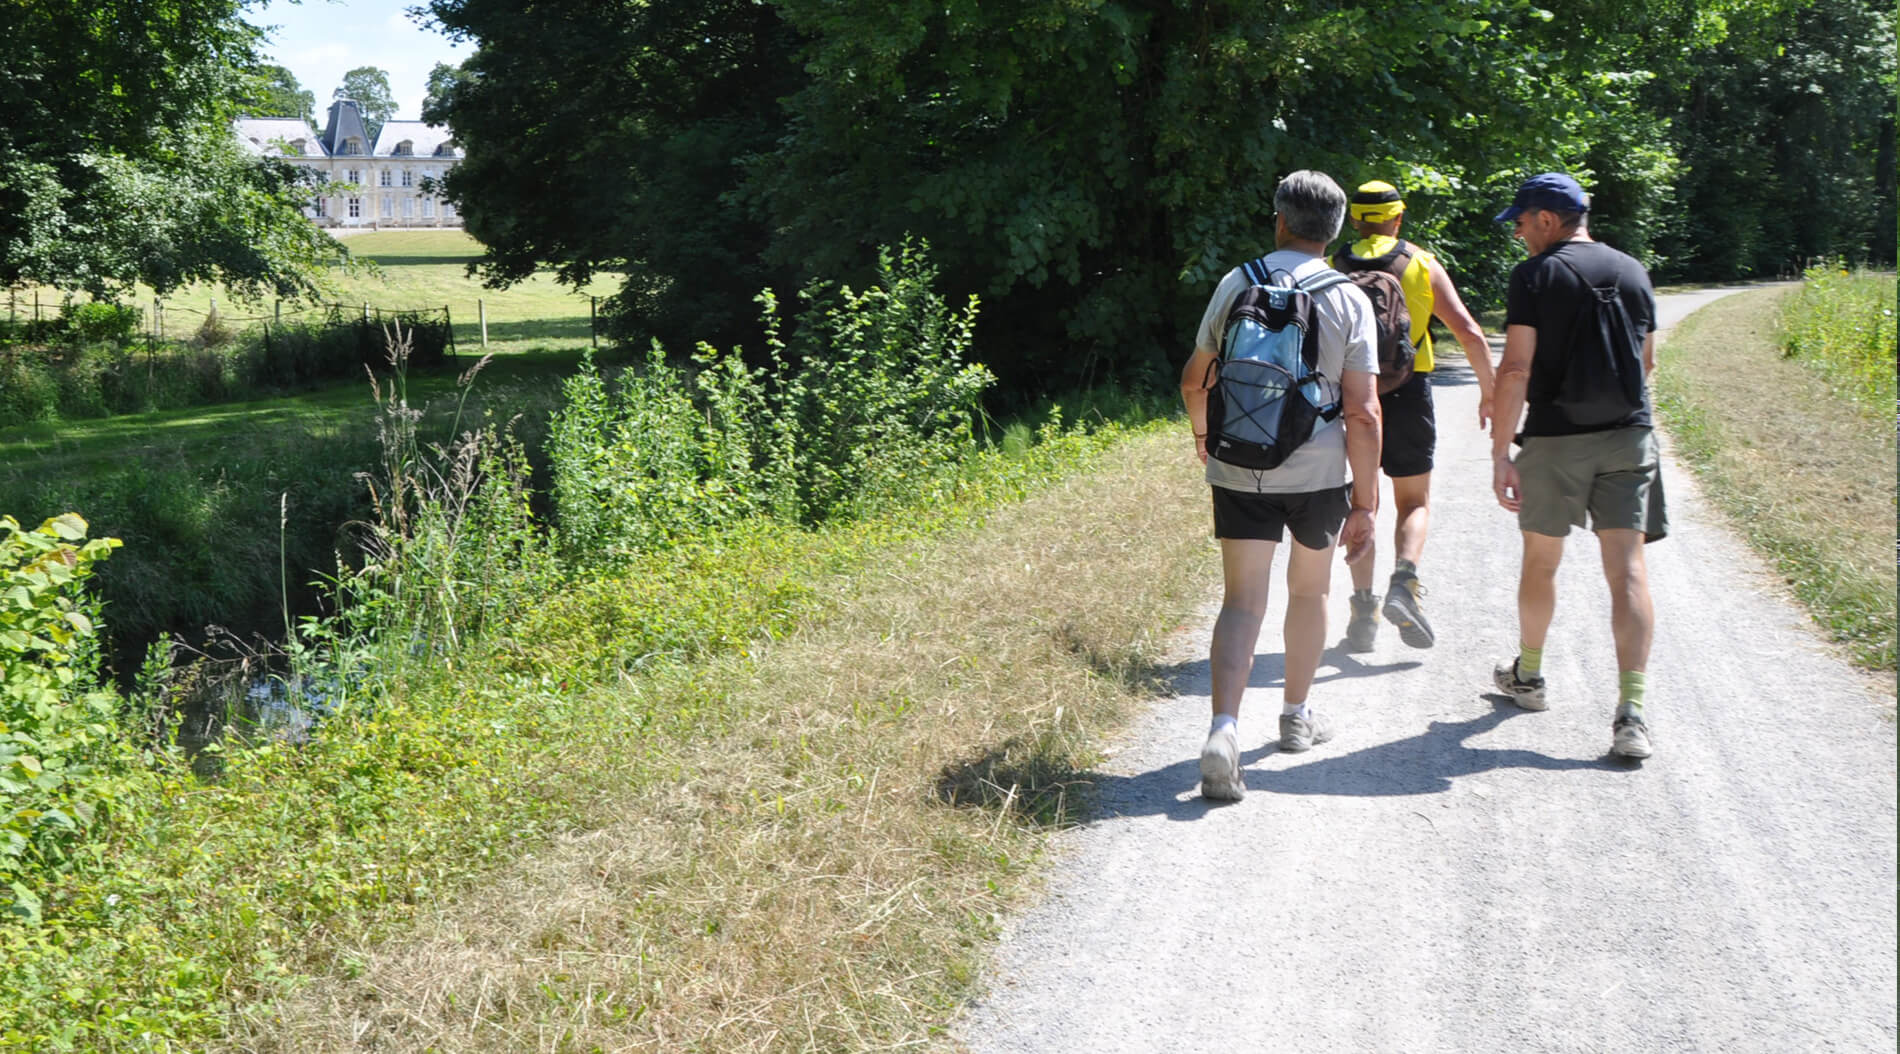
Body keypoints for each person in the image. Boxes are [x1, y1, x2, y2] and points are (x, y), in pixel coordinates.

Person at [1180, 170, 1382, 801]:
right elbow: (1365, 411)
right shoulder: (1349, 298)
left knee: (1241, 601)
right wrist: (1367, 501)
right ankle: (1296, 716)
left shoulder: (1237, 281)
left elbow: (1194, 379)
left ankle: (1222, 731)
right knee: (1309, 591)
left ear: (1279, 219)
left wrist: (1202, 439)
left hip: (1239, 461)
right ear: (1337, 228)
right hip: (1319, 474)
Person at [1488, 173, 1664, 760]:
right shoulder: (1634, 270)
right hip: (1629, 436)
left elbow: (1515, 368)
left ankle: (1530, 677)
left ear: (1547, 219)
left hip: (1557, 438)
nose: (1517, 231)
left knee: (1542, 559)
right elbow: (1647, 362)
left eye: (1520, 221)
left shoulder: (1535, 276)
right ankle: (1631, 712)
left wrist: (1499, 453)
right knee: (1628, 571)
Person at [1332, 181, 1498, 652]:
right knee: (1414, 502)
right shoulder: (1420, 263)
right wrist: (1488, 393)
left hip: (1350, 395)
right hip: (1409, 390)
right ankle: (1403, 584)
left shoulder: (1332, 267)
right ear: (1398, 218)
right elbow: (1468, 331)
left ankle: (1362, 612)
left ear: (1355, 220)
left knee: (1360, 502)